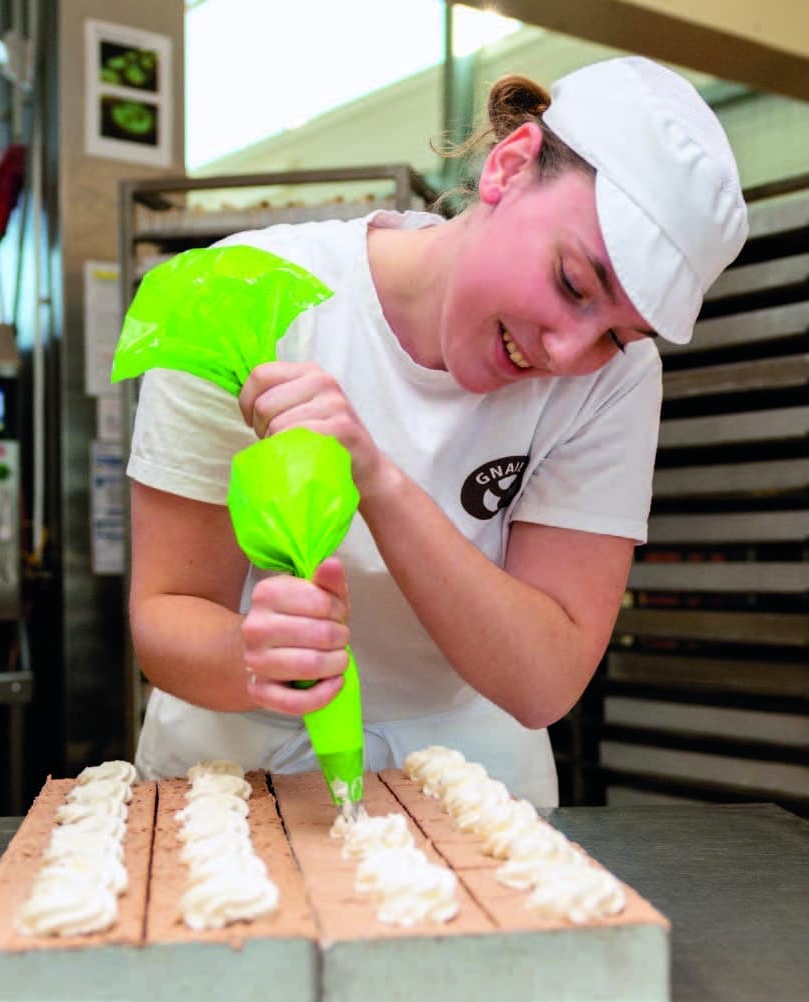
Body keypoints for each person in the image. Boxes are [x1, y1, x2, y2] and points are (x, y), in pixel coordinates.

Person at [125, 56, 748, 806]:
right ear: (510, 168)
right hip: (232, 775)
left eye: (619, 333)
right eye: (574, 284)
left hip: (467, 784)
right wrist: (252, 655)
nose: (565, 351)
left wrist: (379, 483)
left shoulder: (615, 381)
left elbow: (545, 678)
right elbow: (167, 610)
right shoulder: (250, 297)